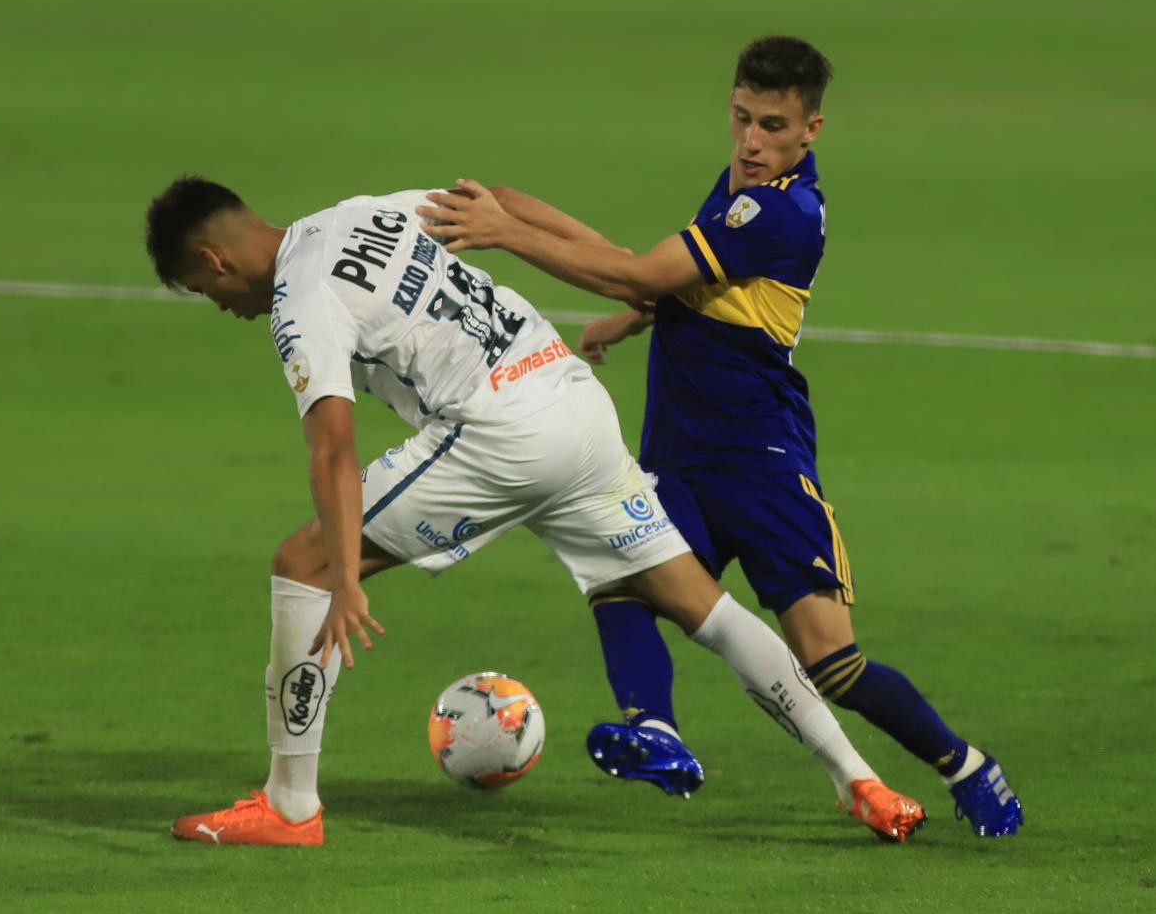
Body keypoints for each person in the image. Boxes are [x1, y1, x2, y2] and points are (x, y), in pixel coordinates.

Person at [142, 176, 926, 846]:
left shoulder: (297, 300)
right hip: (573, 400)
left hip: (502, 433)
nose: (221, 305)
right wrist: (627, 274)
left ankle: (289, 805)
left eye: (205, 290)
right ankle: (861, 781)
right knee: (703, 606)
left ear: (213, 259)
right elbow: (498, 201)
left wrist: (344, 576)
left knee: (301, 563)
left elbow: (332, 451)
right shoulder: (364, 212)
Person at [416, 35, 1023, 838]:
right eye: (741, 117)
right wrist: (515, 207)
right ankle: (654, 729)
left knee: (831, 660)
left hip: (762, 462)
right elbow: (659, 275)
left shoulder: (782, 209)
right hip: (680, 459)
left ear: (812, 130)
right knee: (620, 576)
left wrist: (507, 233)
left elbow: (641, 272)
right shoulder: (741, 182)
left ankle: (967, 765)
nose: (751, 140)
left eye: (772, 125)